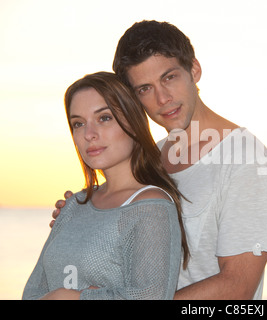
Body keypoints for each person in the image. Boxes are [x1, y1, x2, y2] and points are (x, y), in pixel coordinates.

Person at [53, 20, 267, 300]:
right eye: (144, 89)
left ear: (194, 70)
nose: (163, 98)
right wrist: (82, 221)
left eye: (169, 77)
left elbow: (237, 286)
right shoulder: (148, 157)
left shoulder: (247, 160)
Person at [23, 72, 188, 300]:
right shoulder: (73, 205)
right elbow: (32, 292)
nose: (89, 134)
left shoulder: (150, 207)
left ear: (133, 121)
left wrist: (71, 297)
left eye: (104, 118)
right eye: (78, 124)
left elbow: (150, 297)